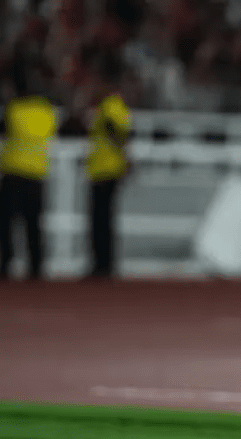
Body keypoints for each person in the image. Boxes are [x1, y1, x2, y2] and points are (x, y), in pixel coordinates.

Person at [0, 61, 58, 281]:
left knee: (5, 224)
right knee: (33, 227)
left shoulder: (13, 108)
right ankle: (36, 268)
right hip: (36, 174)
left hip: (12, 172)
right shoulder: (47, 111)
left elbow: (1, 130)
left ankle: (5, 265)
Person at [85, 57, 132, 278]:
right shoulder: (116, 105)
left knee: (100, 219)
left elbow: (116, 132)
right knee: (103, 219)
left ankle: (102, 265)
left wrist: (125, 157)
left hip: (106, 168)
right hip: (106, 167)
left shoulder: (110, 105)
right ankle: (104, 263)